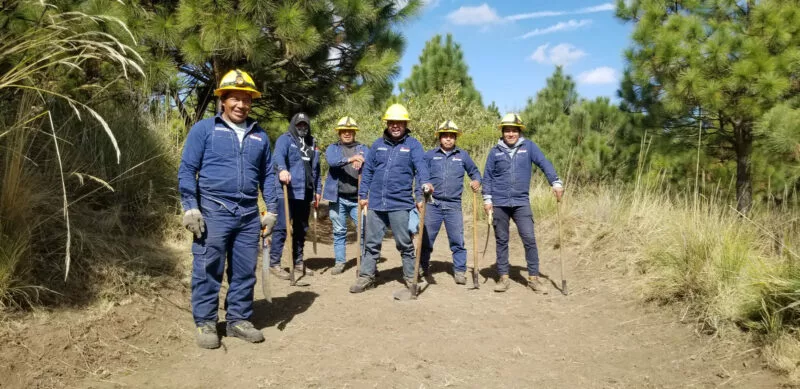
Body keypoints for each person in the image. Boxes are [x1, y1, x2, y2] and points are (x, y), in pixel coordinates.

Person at [178, 69, 278, 348]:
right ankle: (206, 322)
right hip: (213, 211)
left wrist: (271, 210)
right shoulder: (204, 130)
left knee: (245, 270)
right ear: (223, 100)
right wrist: (191, 207)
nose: (241, 105)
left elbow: (268, 175)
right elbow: (187, 170)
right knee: (208, 268)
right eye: (234, 98)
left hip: (247, 214)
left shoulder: (259, 136)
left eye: (246, 99)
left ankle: (238, 320)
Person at [349, 104, 433, 293]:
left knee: (404, 243)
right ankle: (366, 277)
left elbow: (421, 169)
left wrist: (424, 188)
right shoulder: (378, 145)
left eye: (399, 123)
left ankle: (411, 280)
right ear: (387, 124)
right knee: (371, 243)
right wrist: (363, 195)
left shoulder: (413, 145)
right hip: (376, 203)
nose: (395, 126)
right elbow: (368, 170)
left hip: (400, 203)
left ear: (405, 124)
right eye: (392, 123)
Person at [482, 113, 564, 293]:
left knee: (529, 239)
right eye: (507, 131)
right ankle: (503, 277)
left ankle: (533, 278)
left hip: (521, 202)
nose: (510, 134)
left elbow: (544, 163)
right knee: (502, 240)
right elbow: (487, 177)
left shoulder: (529, 147)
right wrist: (487, 199)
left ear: (519, 132)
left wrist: (555, 182)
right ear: (502, 132)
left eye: (514, 130)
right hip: (499, 202)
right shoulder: (495, 151)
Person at [417, 120, 481, 284]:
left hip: (454, 205)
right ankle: (422, 266)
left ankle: (459, 271)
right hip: (433, 204)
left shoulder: (462, 155)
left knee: (457, 240)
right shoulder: (430, 155)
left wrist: (476, 181)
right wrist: (419, 198)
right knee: (426, 239)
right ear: (439, 138)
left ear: (455, 138)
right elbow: (421, 177)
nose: (448, 139)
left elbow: (475, 172)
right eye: (445, 136)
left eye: (451, 136)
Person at [269, 112, 322, 279]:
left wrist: (318, 190)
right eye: (299, 125)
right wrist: (282, 169)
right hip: (287, 191)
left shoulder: (312, 143)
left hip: (305, 192)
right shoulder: (285, 139)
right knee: (282, 227)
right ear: (294, 125)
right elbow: (277, 157)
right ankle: (274, 263)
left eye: (305, 125)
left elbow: (316, 169)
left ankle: (298, 262)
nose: (302, 128)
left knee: (301, 228)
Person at [321, 116, 368, 275]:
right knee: (339, 231)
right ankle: (340, 262)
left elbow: (370, 163)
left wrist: (362, 161)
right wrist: (351, 159)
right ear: (339, 133)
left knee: (363, 231)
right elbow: (333, 162)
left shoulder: (363, 148)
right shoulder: (332, 148)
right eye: (343, 131)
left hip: (357, 198)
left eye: (350, 131)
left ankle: (363, 262)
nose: (347, 133)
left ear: (354, 132)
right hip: (338, 198)